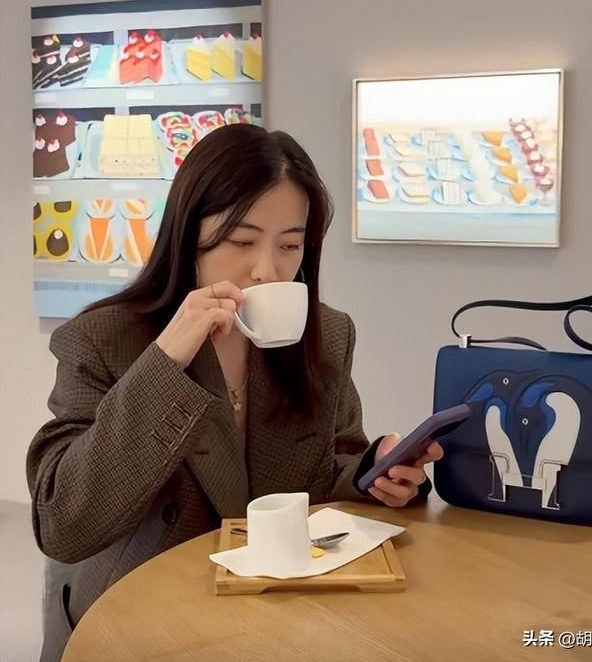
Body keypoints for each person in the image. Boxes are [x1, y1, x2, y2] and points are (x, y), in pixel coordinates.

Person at [26, 124, 444, 662]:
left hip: (278, 616)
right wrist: (166, 363)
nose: (266, 270)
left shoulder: (326, 335)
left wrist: (375, 471)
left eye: (289, 245)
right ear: (188, 237)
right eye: (242, 242)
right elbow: (64, 523)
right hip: (142, 618)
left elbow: (325, 471)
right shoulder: (105, 339)